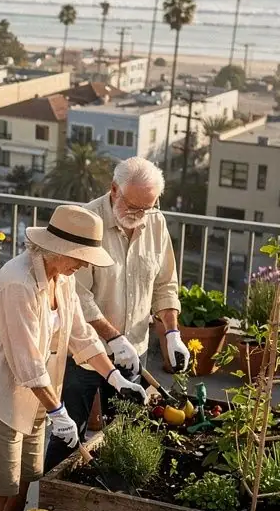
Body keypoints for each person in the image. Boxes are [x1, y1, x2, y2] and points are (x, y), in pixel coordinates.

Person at [0, 202, 148, 511]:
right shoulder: (17, 282)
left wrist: (114, 376)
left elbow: (81, 336)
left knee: (25, 480)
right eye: (82, 256)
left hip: (35, 396)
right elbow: (25, 360)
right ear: (58, 249)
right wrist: (59, 411)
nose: (86, 264)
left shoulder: (62, 279)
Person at [45, 157, 185, 471]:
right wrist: (113, 338)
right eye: (133, 206)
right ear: (113, 189)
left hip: (133, 351)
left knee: (125, 430)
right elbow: (78, 296)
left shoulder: (156, 222)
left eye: (146, 207)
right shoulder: (86, 222)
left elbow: (166, 283)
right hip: (82, 353)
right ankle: (50, 501)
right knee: (69, 435)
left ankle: (112, 499)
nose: (139, 215)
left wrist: (173, 333)